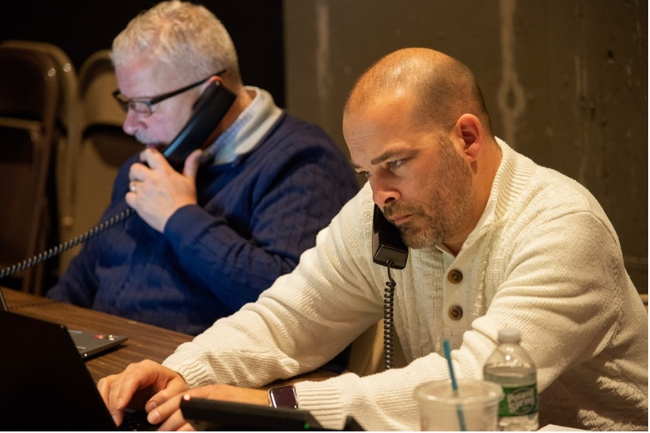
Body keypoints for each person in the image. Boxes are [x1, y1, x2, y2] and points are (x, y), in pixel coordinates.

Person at [97, 48, 648, 431]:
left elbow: (471, 388)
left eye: (396, 163)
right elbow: (290, 318)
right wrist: (184, 369)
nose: (379, 193)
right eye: (366, 171)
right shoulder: (385, 209)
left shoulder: (561, 227)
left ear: (467, 138)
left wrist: (269, 407)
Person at [46, 0, 359, 336]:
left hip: (206, 377)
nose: (129, 125)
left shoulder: (304, 163)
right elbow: (82, 281)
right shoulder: (151, 164)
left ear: (212, 95)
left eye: (145, 106)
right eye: (126, 103)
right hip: (115, 363)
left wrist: (179, 217)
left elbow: (295, 310)